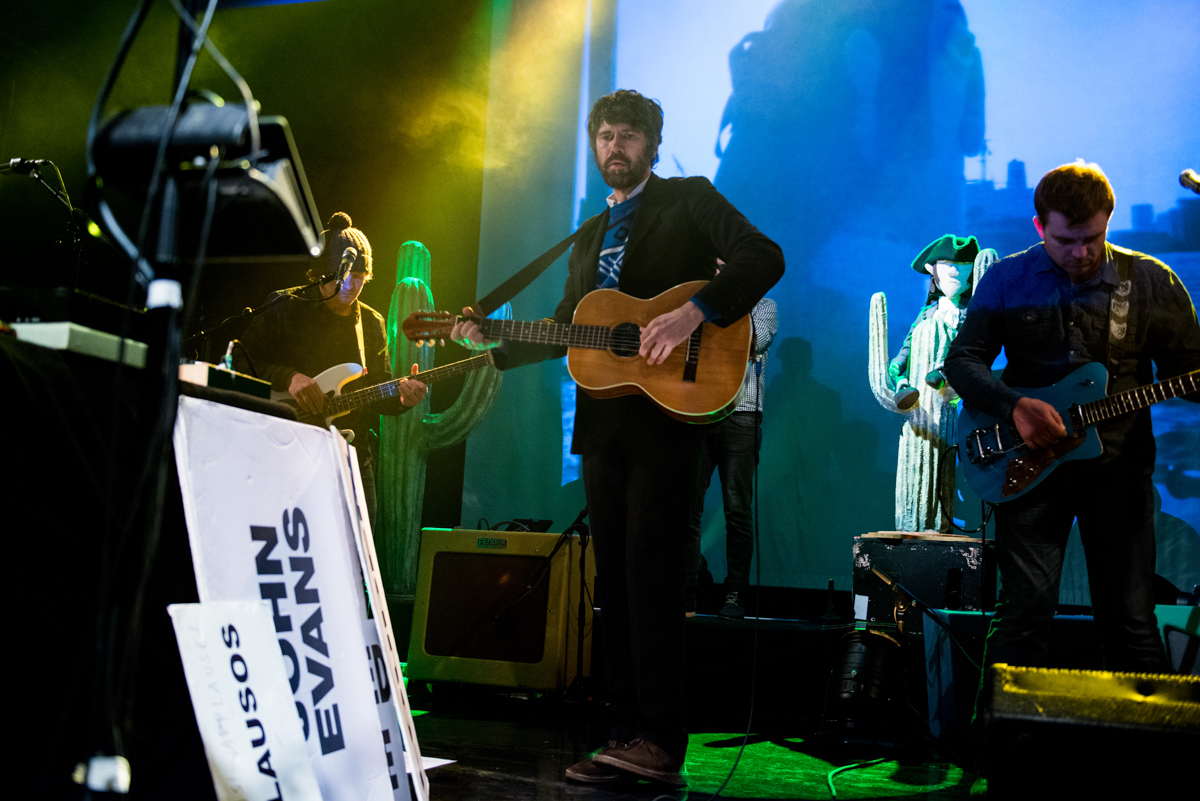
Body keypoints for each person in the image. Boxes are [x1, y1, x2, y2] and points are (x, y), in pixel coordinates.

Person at [451, 90, 784, 786]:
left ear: (652, 146)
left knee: (655, 581)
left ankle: (661, 740)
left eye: (629, 135)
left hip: (669, 422)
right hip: (603, 429)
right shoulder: (586, 234)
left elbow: (764, 255)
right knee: (619, 587)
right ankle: (626, 734)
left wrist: (693, 314)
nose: (615, 146)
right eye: (604, 135)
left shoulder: (688, 199)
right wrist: (496, 340)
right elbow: (572, 324)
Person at [944, 161, 1200, 677]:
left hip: (1120, 474)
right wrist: (1015, 407)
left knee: (1130, 619)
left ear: (1108, 219)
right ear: (1040, 227)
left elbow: (1186, 375)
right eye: (1066, 241)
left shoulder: (1151, 280)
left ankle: (1151, 752)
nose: (1081, 253)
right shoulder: (1007, 278)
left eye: (1093, 238)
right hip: (1029, 472)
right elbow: (961, 362)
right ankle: (1001, 753)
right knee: (1022, 617)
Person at [236, 212, 428, 524]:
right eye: (347, 274)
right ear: (324, 273)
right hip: (286, 449)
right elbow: (240, 362)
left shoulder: (371, 323)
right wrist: (290, 377)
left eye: (361, 277)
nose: (353, 284)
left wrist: (402, 397)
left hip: (350, 455)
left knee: (357, 556)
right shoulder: (285, 306)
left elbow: (377, 389)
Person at [685, 295, 777, 619]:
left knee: (737, 510)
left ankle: (735, 592)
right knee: (688, 509)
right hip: (700, 413)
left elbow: (752, 342)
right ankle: (687, 591)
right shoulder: (703, 300)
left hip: (742, 414)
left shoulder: (763, 306)